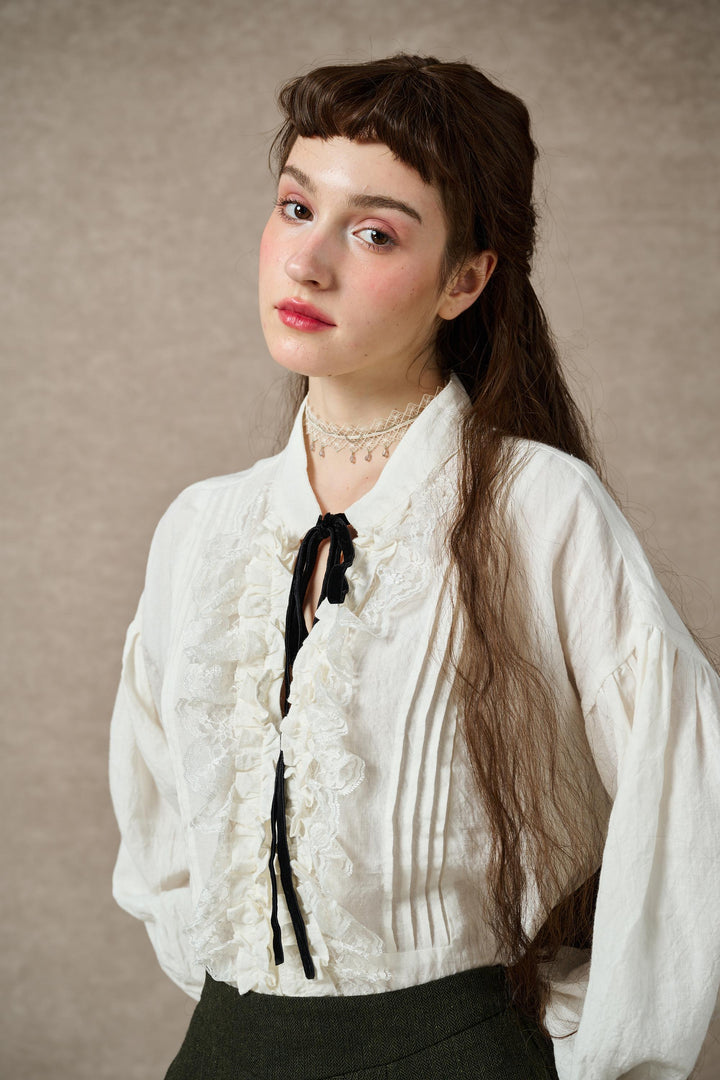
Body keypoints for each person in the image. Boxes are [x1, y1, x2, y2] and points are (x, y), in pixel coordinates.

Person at [108, 54, 720, 1080]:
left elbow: (688, 786)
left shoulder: (539, 506)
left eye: (375, 233)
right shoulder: (201, 528)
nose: (307, 264)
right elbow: (162, 833)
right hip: (225, 1049)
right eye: (296, 207)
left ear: (465, 280)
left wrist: (601, 1053)